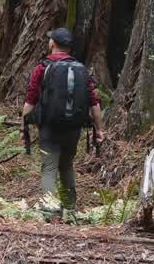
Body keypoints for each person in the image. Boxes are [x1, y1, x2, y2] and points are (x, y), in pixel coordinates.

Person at [21, 28, 105, 221]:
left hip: (49, 127)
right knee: (66, 165)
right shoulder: (81, 69)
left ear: (52, 44)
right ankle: (71, 210)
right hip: (74, 128)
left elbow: (30, 100)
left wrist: (23, 127)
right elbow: (94, 102)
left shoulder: (42, 68)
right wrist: (99, 130)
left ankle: (50, 213)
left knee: (49, 167)